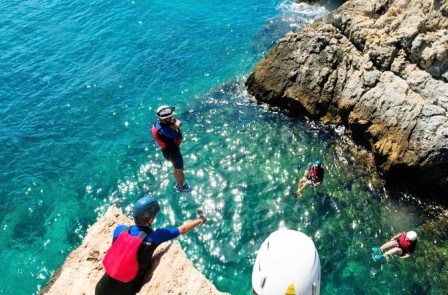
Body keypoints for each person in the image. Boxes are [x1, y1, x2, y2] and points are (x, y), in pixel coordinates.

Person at [95, 195, 206, 295]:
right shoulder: (154, 237)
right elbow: (182, 229)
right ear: (151, 219)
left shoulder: (119, 230)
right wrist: (200, 220)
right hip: (127, 289)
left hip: (101, 288)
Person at [151, 105, 191, 192]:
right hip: (173, 152)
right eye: (170, 117)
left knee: (176, 168)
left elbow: (176, 123)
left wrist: (174, 125)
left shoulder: (157, 124)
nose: (172, 117)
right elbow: (179, 136)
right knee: (180, 170)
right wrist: (177, 127)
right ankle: (181, 187)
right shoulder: (165, 131)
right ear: (165, 118)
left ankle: (177, 175)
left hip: (167, 151)